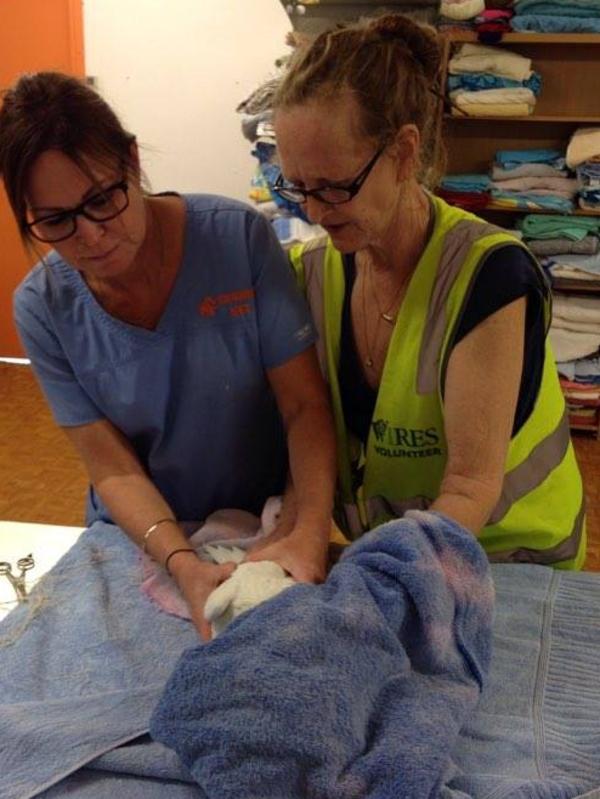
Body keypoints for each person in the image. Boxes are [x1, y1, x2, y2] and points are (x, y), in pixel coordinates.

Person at [0, 71, 337, 638]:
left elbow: (304, 408)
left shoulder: (237, 241)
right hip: (143, 532)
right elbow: (111, 466)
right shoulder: (43, 306)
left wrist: (309, 534)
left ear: (131, 161)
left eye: (102, 200)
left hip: (266, 518)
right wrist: (180, 563)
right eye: (56, 221)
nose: (91, 236)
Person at [270, 14, 586, 569]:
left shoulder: (490, 276)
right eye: (296, 188)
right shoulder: (311, 272)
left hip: (512, 558)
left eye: (335, 187)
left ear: (403, 152)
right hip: (395, 550)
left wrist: (376, 588)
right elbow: (305, 434)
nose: (315, 213)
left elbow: (468, 487)